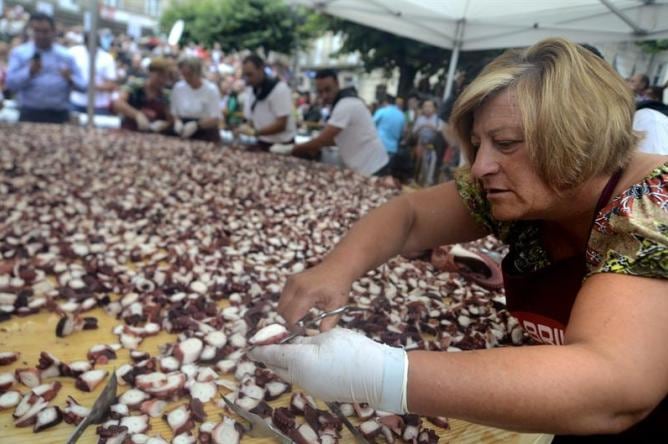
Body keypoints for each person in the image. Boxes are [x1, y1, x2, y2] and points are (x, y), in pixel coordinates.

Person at [249, 38, 668, 442]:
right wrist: (336, 268)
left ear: (578, 139)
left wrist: (383, 374)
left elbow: (614, 387)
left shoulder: (656, 201)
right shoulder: (522, 189)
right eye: (478, 144)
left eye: (504, 144)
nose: (482, 165)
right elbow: (409, 216)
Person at [287, 69, 389, 176]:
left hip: (373, 167)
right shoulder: (347, 101)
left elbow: (324, 140)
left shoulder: (345, 104)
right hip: (370, 164)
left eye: (328, 90)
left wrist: (292, 148)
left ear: (337, 84)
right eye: (320, 92)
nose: (324, 96)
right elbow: (334, 139)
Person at [5, 12, 85, 123]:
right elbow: (10, 84)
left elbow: (84, 87)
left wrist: (70, 79)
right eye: (37, 31)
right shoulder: (20, 53)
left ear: (53, 31)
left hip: (59, 115)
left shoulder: (66, 55)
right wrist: (29, 72)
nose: (41, 35)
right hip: (29, 113)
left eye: (45, 31)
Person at [240, 54, 295, 150]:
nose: (247, 79)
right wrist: (245, 126)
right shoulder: (250, 90)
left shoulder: (280, 89)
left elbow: (282, 124)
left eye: (250, 74)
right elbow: (250, 118)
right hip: (262, 142)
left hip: (282, 146)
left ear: (261, 69)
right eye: (245, 75)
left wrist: (255, 132)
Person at [112, 57, 172, 133]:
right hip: (129, 131)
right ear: (150, 73)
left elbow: (171, 119)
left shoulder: (165, 95)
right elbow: (118, 104)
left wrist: (165, 124)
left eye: (165, 77)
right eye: (159, 76)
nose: (162, 80)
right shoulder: (135, 85)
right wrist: (137, 115)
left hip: (153, 135)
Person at [171, 56, 221, 142]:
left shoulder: (211, 89)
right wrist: (177, 122)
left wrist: (197, 125)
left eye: (189, 75)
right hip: (183, 129)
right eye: (184, 75)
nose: (186, 78)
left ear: (197, 73)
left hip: (205, 133)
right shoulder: (178, 87)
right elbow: (174, 112)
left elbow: (215, 118)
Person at [69, 34, 117, 115]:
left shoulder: (107, 58)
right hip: (76, 102)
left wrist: (91, 86)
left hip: (98, 105)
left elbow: (111, 84)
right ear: (85, 43)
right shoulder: (73, 52)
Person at [634, 86, 668, 155]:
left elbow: (661, 161)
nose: (644, 97)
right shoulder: (652, 118)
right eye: (644, 94)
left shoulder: (652, 118)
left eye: (648, 95)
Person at [373, 94, 406, 161]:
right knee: (386, 170)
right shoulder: (402, 115)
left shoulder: (382, 111)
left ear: (385, 102)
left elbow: (371, 124)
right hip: (392, 148)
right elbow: (403, 132)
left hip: (379, 145)